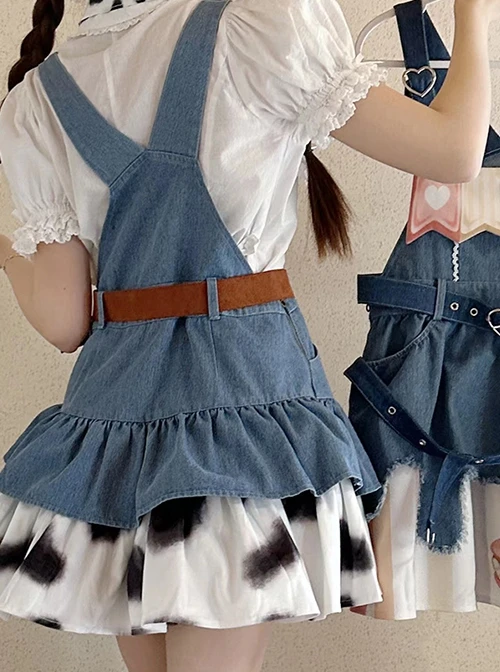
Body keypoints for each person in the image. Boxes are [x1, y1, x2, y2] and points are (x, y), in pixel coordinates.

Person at [0, 0, 497, 671]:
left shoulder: (39, 97)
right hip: (240, 410)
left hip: (116, 426)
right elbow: (456, 152)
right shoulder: (257, 24)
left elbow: (65, 324)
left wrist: (8, 253)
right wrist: (473, 17)